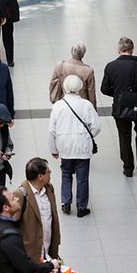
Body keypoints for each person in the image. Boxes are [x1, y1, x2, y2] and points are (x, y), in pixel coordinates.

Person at [100, 37, 137, 178]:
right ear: (132, 50)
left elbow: (104, 89)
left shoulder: (111, 66)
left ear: (119, 50)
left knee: (124, 136)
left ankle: (128, 167)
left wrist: (119, 96)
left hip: (120, 107)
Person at [48, 75, 100, 218]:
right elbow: (96, 126)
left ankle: (66, 202)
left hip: (65, 146)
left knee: (66, 174)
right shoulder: (87, 105)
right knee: (82, 177)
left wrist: (53, 149)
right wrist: (88, 136)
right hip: (82, 145)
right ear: (80, 88)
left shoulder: (57, 106)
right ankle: (82, 206)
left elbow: (52, 130)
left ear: (64, 88)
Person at [18, 157, 62, 263]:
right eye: (48, 172)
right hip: (30, 255)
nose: (50, 174)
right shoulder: (20, 195)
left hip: (48, 251)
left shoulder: (49, 189)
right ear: (40, 176)